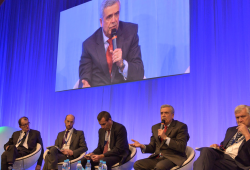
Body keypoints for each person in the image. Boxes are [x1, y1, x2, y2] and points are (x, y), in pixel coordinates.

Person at [79, 0, 144, 88]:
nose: (114, 20)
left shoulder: (130, 33)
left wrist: (122, 64)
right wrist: (85, 85)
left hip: (125, 93)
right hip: (99, 95)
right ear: (101, 22)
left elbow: (139, 72)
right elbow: (84, 78)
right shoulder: (89, 45)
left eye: (116, 14)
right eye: (109, 17)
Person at [131, 105, 190, 170]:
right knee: (137, 164)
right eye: (161, 113)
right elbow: (153, 147)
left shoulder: (180, 126)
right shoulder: (155, 127)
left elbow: (181, 146)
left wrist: (165, 137)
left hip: (173, 158)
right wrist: (142, 146)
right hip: (158, 157)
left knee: (160, 167)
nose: (163, 115)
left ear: (172, 115)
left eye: (166, 113)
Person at [193, 105, 250, 170]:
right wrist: (218, 147)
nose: (239, 120)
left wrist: (247, 134)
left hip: (237, 162)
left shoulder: (248, 134)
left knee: (204, 163)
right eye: (237, 117)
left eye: (243, 116)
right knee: (206, 150)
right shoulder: (231, 130)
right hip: (224, 156)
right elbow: (224, 146)